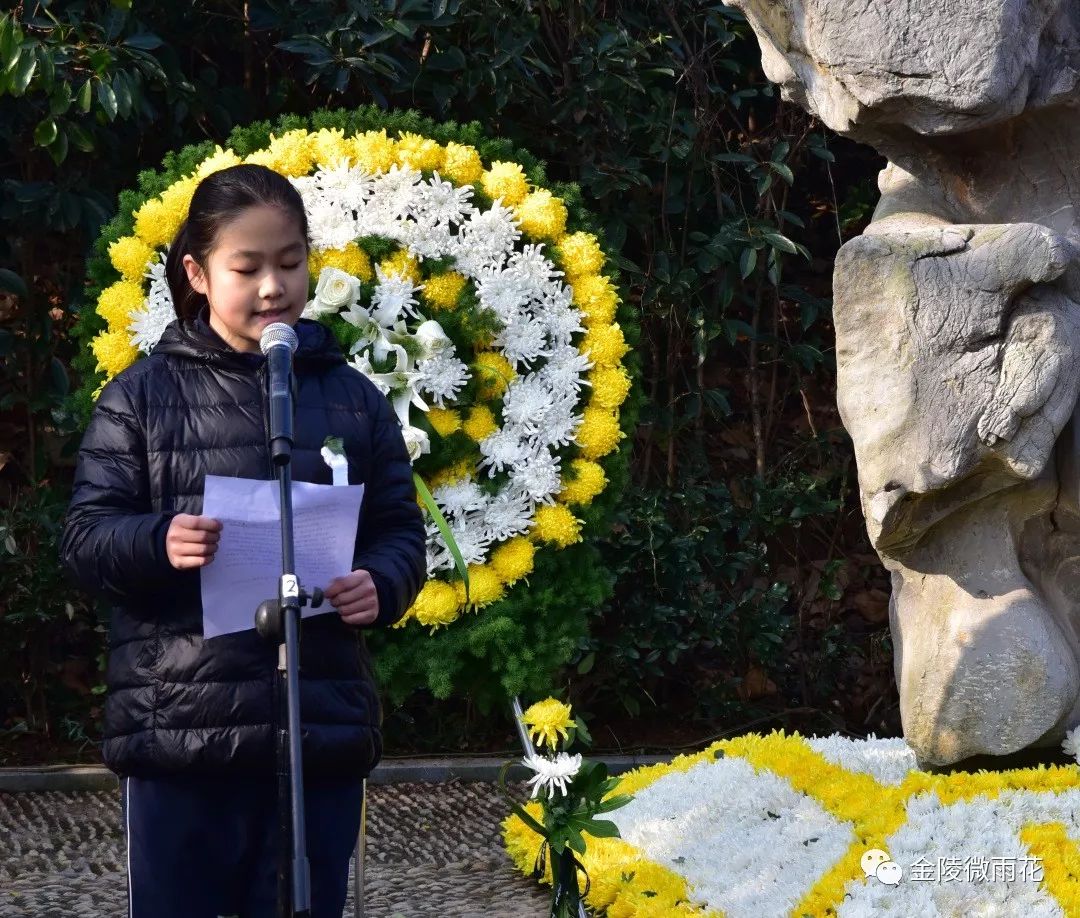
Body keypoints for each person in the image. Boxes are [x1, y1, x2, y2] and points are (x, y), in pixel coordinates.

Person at [59, 164, 427, 918]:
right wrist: (158, 540)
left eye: (290, 263)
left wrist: (380, 584)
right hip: (180, 731)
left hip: (315, 726)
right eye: (247, 267)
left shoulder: (351, 399)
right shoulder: (139, 399)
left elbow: (397, 529)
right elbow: (85, 538)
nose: (273, 287)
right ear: (196, 273)